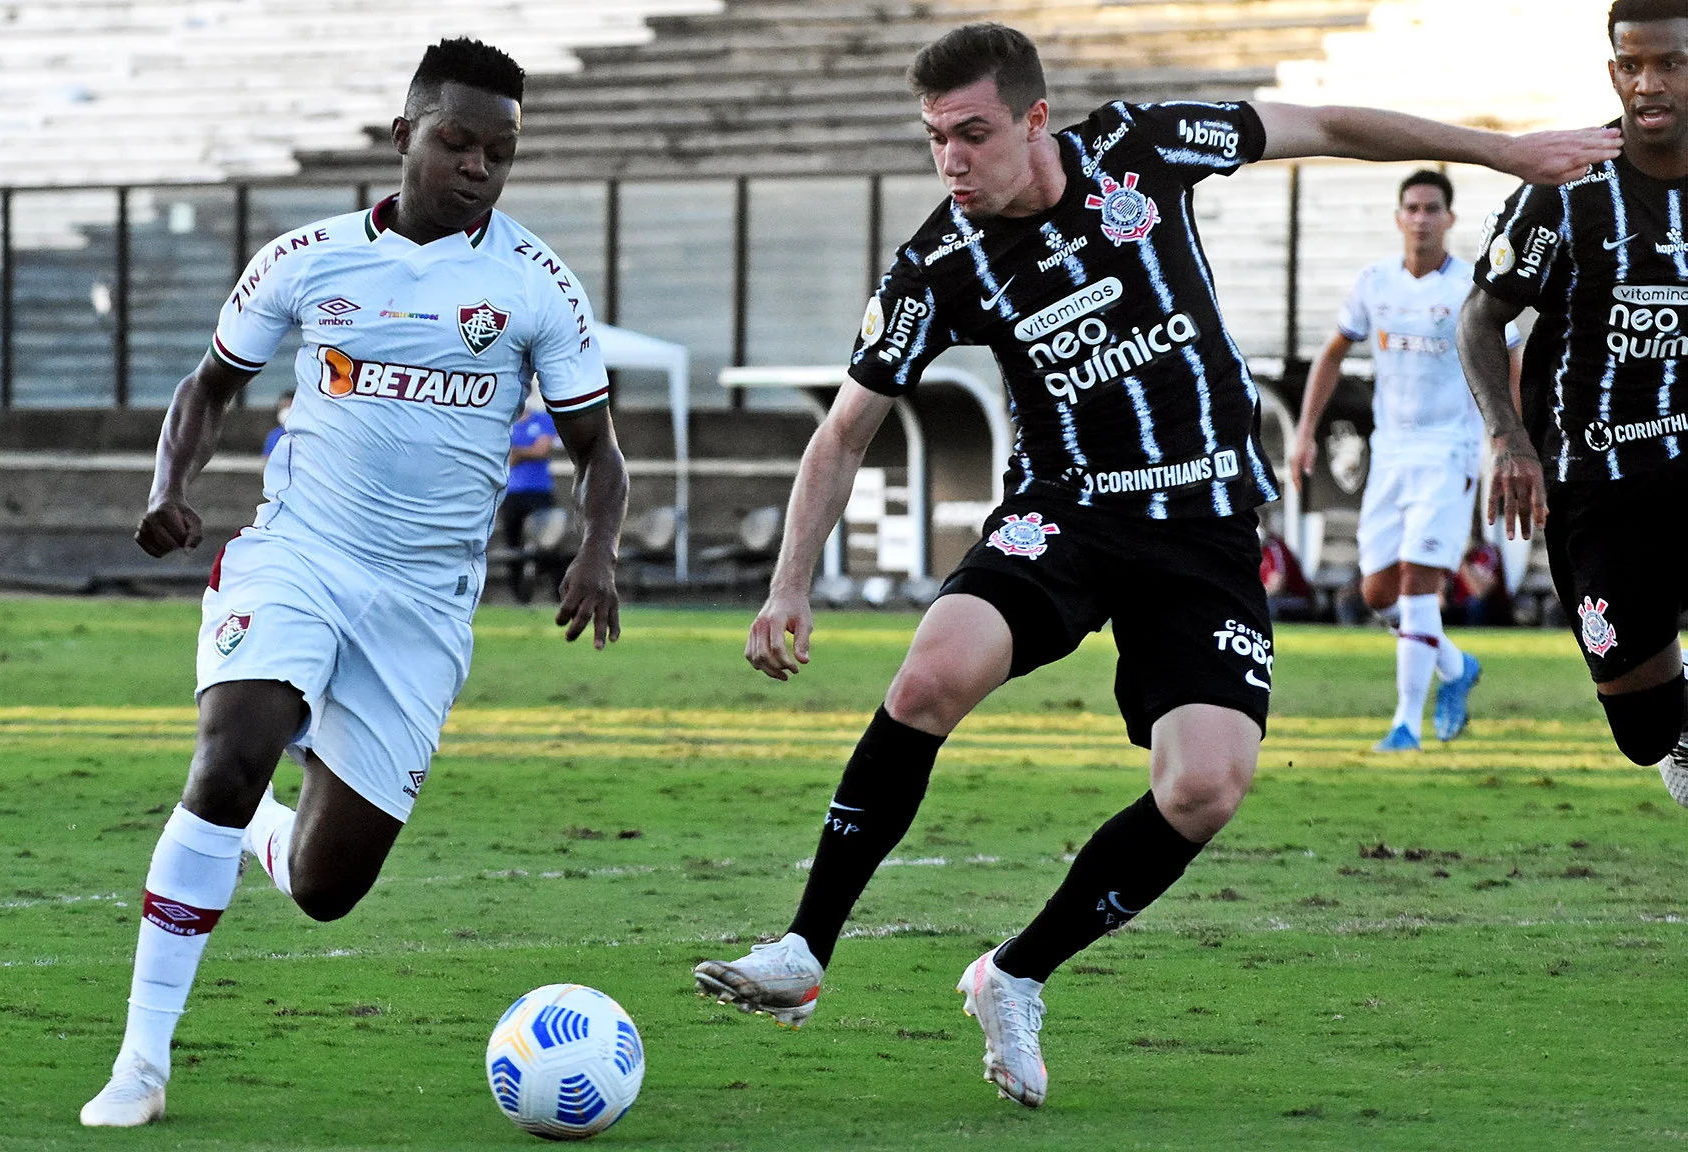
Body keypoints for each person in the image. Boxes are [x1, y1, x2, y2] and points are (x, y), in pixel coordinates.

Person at [692, 22, 1616, 1109]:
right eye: (934, 138)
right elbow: (845, 428)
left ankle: (1015, 974)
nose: (951, 161)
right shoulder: (939, 261)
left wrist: (1503, 152)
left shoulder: (1143, 148)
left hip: (1206, 528)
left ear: (1036, 119)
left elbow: (1321, 122)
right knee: (931, 673)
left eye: (972, 134)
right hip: (1065, 517)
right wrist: (788, 583)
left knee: (1205, 785)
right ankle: (805, 952)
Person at [80, 38, 628, 1127]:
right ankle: (141, 1061)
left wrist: (595, 549)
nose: (478, 166)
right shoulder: (306, 259)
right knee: (230, 752)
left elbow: (597, 452)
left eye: (500, 151)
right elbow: (209, 387)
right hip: (299, 556)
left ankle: (262, 831)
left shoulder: (533, 284)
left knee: (327, 890)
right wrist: (167, 486)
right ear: (405, 137)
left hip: (423, 604)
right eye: (458, 141)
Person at [1460, 0, 1688, 809]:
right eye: (1632, 65)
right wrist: (1506, 436)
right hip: (1598, 484)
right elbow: (1480, 316)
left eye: (1669, 63)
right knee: (1645, 733)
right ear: (1612, 71)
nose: (1648, 84)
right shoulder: (1568, 188)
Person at [1290, 171, 1523, 751]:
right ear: (1399, 218)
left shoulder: (1473, 284)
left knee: (1420, 581)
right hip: (1391, 453)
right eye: (1412, 208)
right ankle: (1455, 665)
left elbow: (1513, 357)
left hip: (1449, 450)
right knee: (1376, 593)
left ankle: (1404, 726)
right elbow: (1332, 354)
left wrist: (1508, 435)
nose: (1421, 218)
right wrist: (1304, 432)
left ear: (1449, 219)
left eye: (1432, 209)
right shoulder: (1374, 283)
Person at [500, 393, 559, 601]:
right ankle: (520, 596)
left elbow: (542, 450)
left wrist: (517, 453)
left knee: (549, 543)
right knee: (512, 545)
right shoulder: (503, 421)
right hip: (511, 493)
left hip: (539, 491)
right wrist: (525, 452)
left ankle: (556, 591)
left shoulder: (542, 419)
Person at [261, 389, 294, 457]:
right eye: (283, 406)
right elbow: (267, 458)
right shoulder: (274, 435)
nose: (286, 411)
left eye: (289, 406)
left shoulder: (306, 433)